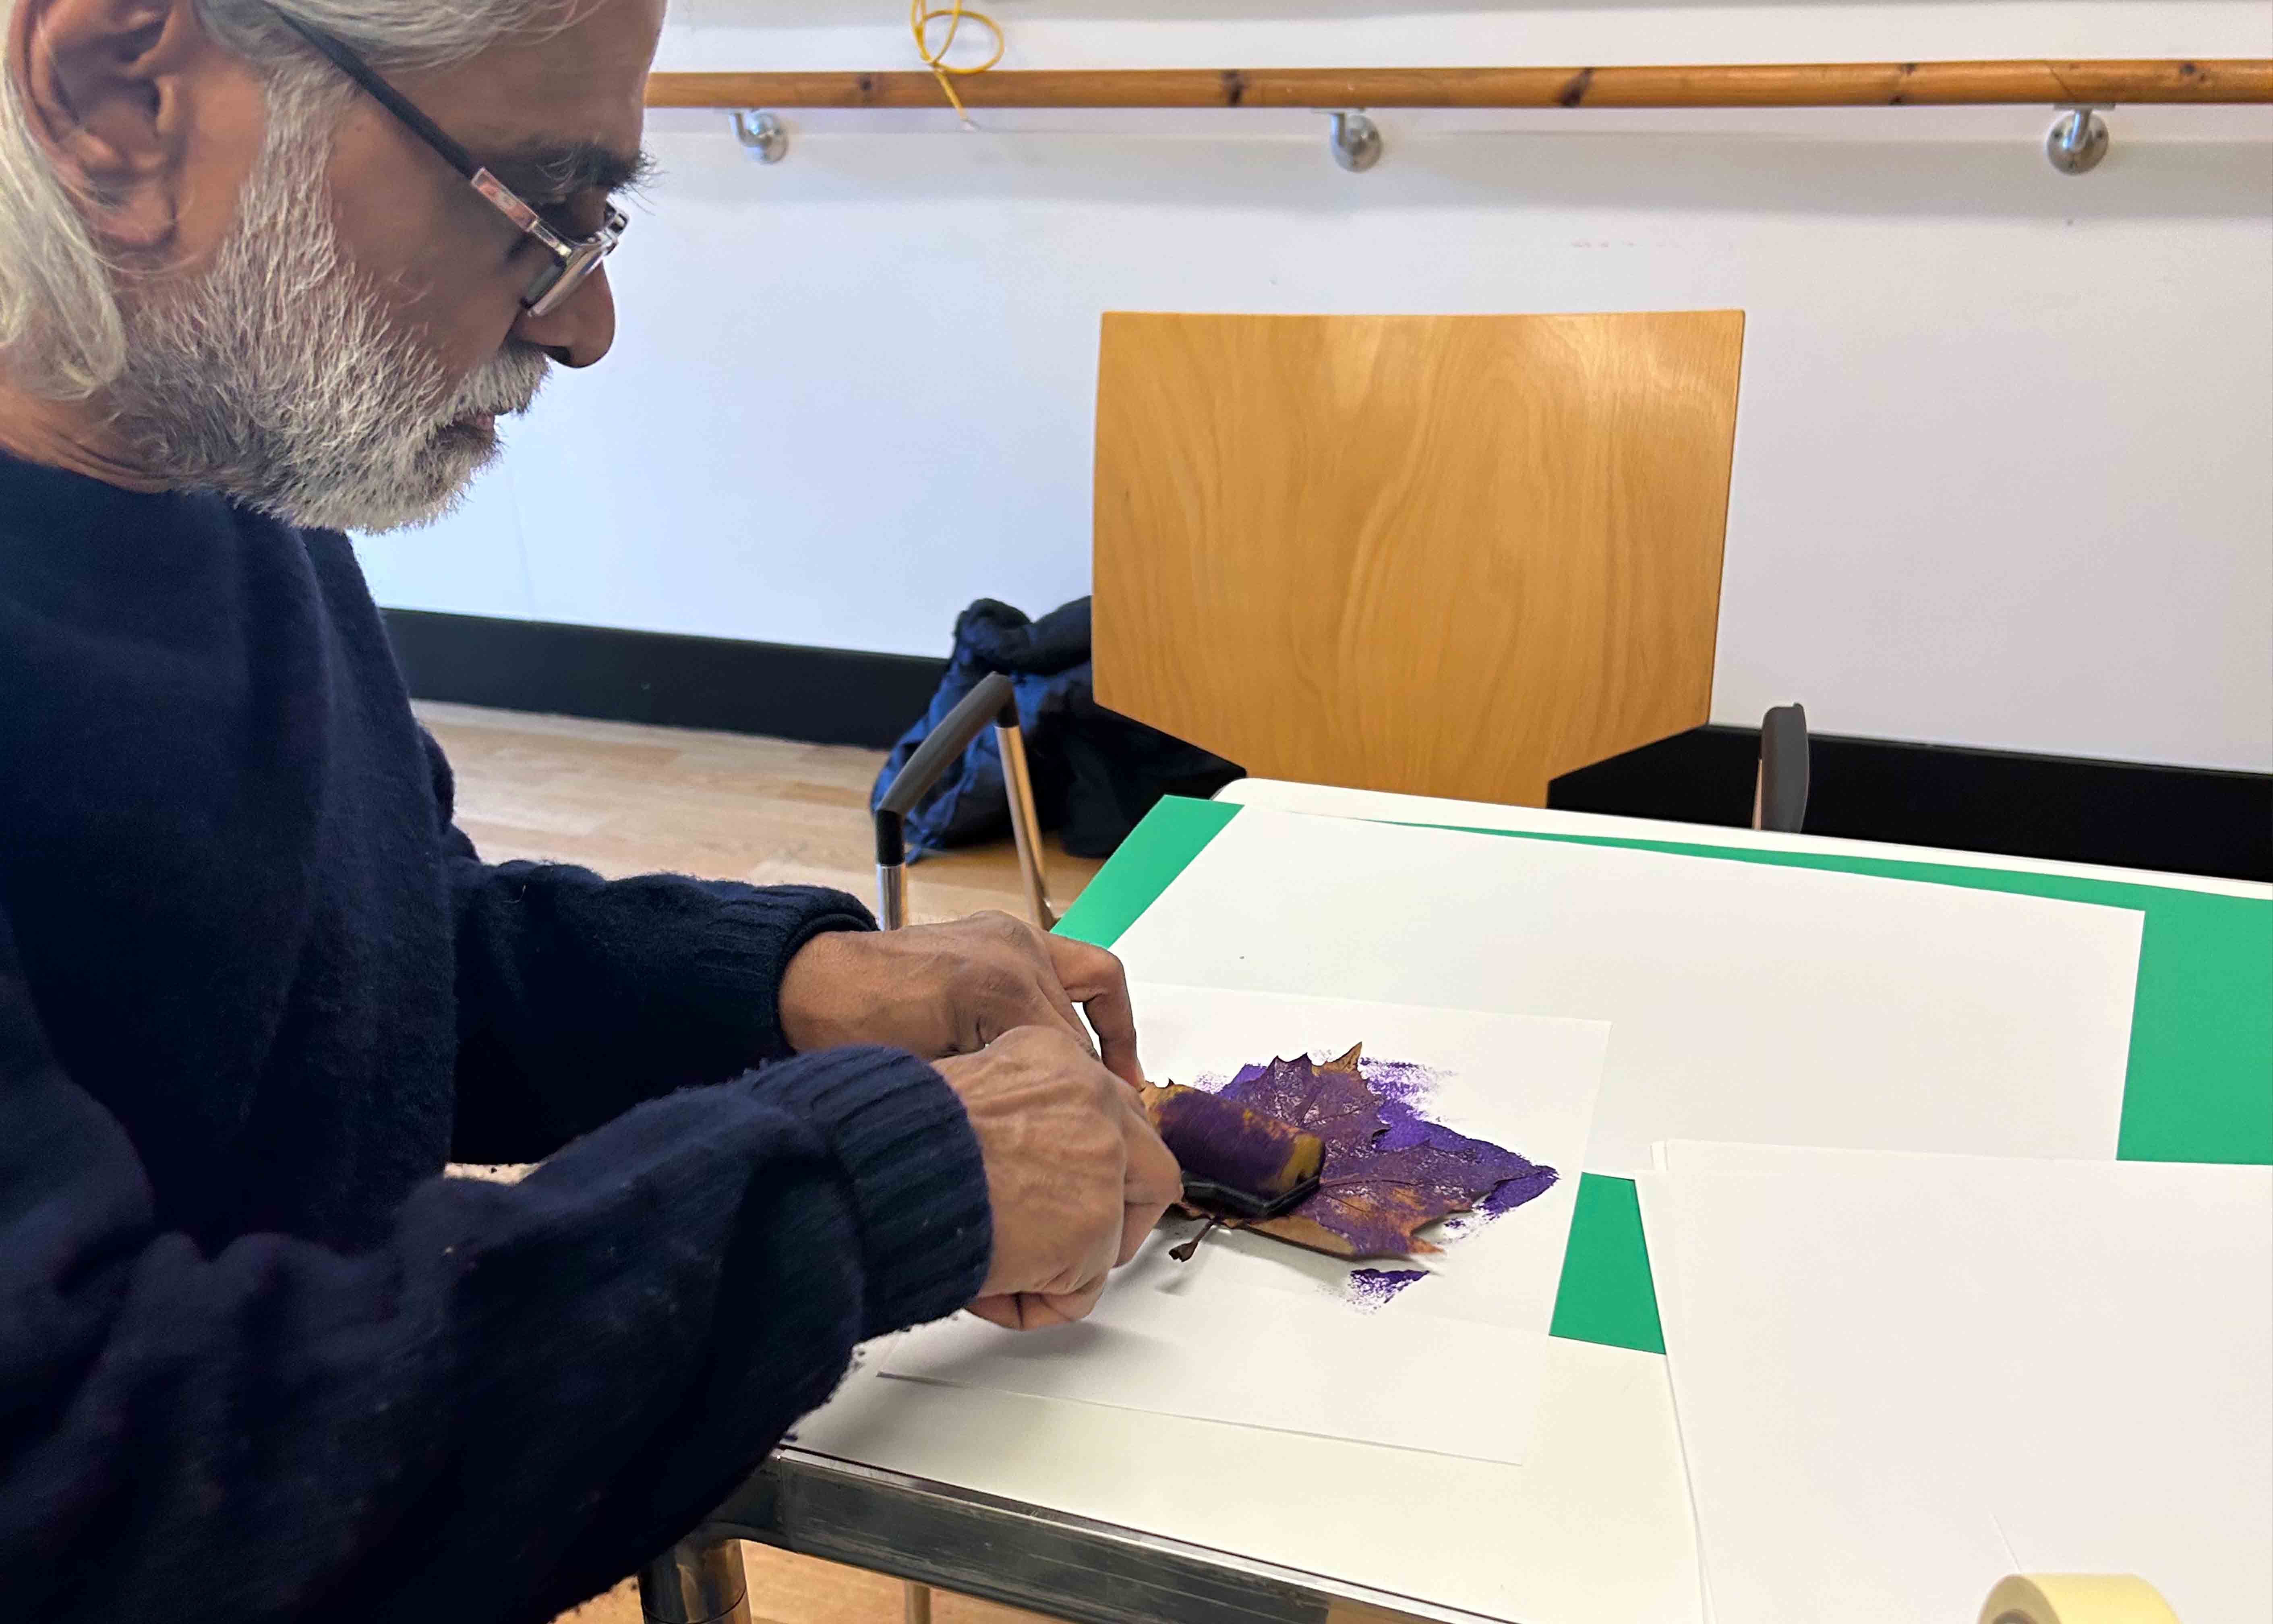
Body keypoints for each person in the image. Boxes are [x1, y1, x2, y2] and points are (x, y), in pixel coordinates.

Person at [0, 1, 1183, 1618]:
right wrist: (861, 1190)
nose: (585, 322)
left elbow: (355, 977)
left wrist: (774, 990)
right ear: (117, 100)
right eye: (538, 207)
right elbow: (88, 1490)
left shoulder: (212, 481)